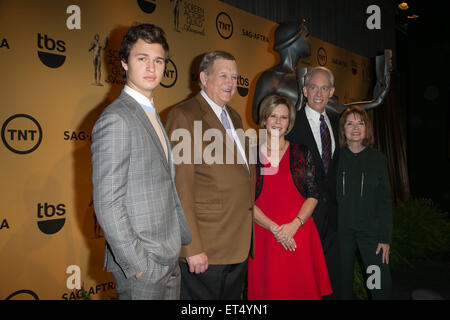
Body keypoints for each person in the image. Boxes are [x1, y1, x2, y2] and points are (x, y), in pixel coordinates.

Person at [91, 24, 191, 300]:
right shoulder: (117, 119)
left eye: (158, 60)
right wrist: (139, 266)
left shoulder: (149, 112)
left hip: (168, 256)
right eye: (142, 58)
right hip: (143, 264)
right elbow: (107, 202)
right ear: (124, 62)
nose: (151, 67)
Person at [165, 51, 254, 300]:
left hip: (237, 246)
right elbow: (179, 187)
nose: (231, 82)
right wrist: (191, 247)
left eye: (235, 77)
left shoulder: (234, 116)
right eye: (223, 75)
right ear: (204, 77)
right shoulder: (184, 115)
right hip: (206, 250)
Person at [248, 94, 332, 300]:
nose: (278, 122)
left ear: (289, 122)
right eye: (273, 116)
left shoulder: (302, 152)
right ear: (264, 118)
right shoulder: (249, 155)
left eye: (283, 117)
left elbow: (313, 194)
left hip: (299, 233)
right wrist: (274, 229)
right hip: (265, 235)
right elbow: (244, 201)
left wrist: (294, 225)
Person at [285, 66, 341, 299]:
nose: (319, 93)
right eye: (314, 87)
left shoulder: (339, 123)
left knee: (330, 280)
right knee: (304, 281)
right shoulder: (290, 124)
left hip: (334, 219)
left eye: (325, 88)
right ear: (305, 90)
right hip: (303, 216)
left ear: (332, 91)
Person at [336, 105, 392, 299]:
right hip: (341, 235)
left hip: (372, 236)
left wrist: (385, 237)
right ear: (343, 129)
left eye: (360, 123)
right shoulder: (335, 159)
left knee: (377, 286)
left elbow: (385, 202)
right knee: (341, 288)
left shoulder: (378, 160)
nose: (355, 127)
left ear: (367, 128)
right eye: (349, 123)